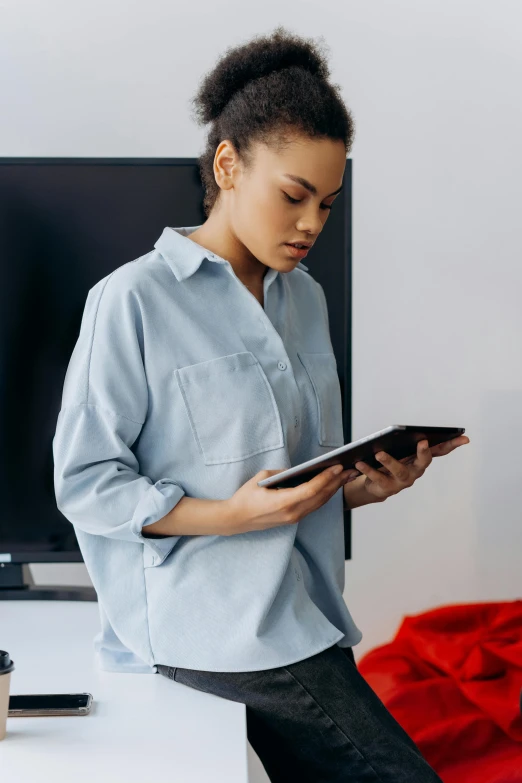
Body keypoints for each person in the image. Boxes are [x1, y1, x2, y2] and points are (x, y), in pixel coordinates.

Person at [53, 25, 469, 782]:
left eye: (329, 203)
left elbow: (294, 480)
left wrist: (361, 486)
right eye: (294, 196)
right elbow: (86, 482)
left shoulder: (304, 298)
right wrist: (231, 515)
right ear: (227, 165)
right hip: (213, 632)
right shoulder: (130, 301)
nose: (312, 223)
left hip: (302, 613)